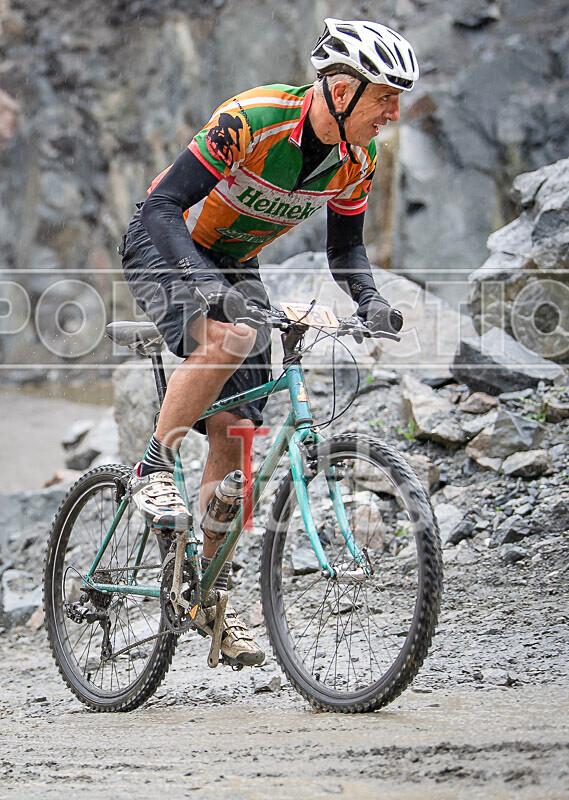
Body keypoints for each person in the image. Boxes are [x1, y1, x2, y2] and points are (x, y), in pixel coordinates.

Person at [120, 18, 419, 667]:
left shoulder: (355, 161)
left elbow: (346, 250)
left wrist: (369, 301)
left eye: (399, 98)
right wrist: (204, 285)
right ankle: (149, 471)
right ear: (339, 91)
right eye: (384, 96)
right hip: (163, 244)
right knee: (230, 335)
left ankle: (206, 598)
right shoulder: (251, 120)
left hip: (232, 262)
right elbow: (159, 208)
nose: (393, 112)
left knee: (237, 438)